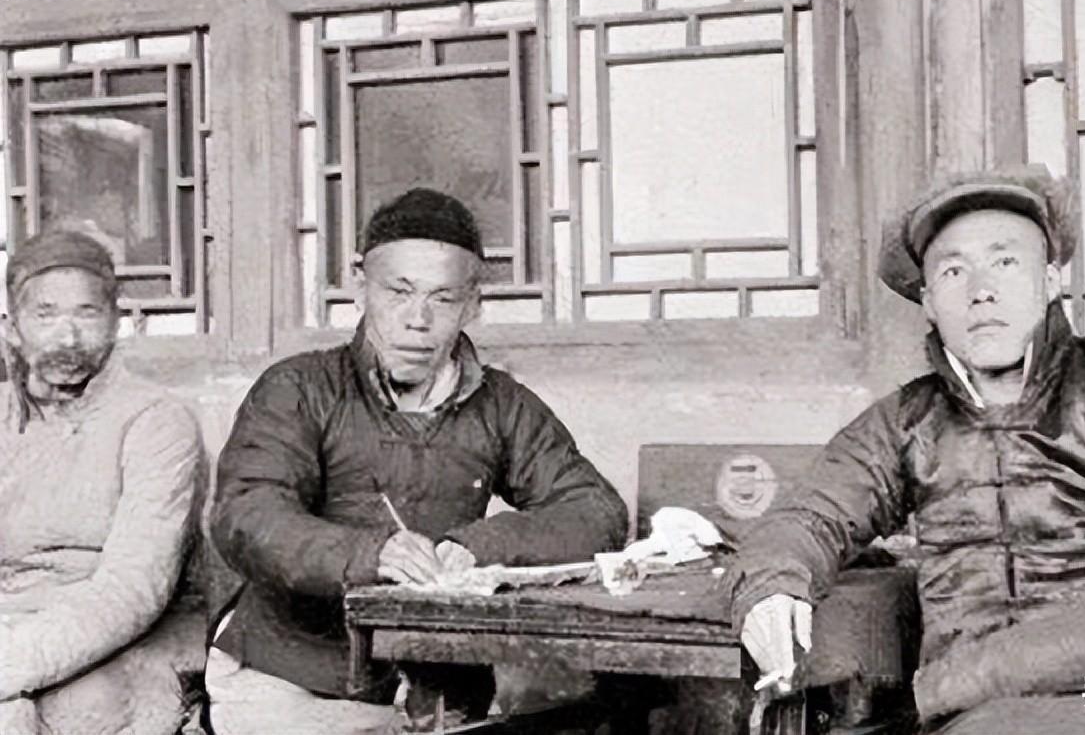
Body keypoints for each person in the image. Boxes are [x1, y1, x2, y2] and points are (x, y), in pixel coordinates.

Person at [725, 168, 1085, 734]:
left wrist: (963, 679)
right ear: (927, 301)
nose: (981, 290)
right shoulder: (907, 421)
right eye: (954, 271)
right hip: (977, 711)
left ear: (1050, 280)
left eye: (1006, 262)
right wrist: (772, 584)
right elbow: (810, 516)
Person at [208, 187, 628, 734]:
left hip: (435, 684)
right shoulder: (299, 388)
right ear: (360, 286)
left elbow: (596, 510)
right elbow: (246, 514)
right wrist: (370, 554)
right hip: (291, 676)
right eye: (398, 292)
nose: (418, 320)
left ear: (473, 304)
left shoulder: (502, 404)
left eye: (444, 299)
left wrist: (478, 546)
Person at [0, 228, 202, 735]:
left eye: (87, 314)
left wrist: (12, 664)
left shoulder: (155, 420)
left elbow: (135, 585)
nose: (68, 337)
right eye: (45, 315)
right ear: (12, 327)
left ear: (117, 321)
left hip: (109, 635)